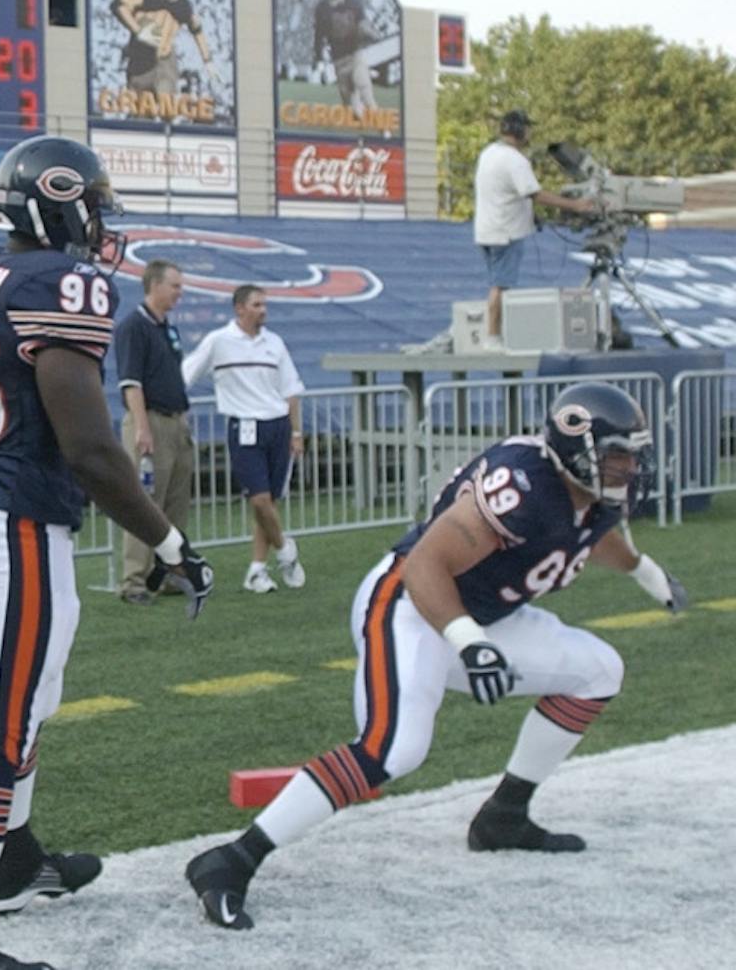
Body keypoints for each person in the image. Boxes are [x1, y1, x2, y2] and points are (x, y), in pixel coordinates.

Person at [186, 383, 687, 932]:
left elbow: (587, 535)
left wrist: (647, 573)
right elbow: (425, 563)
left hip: (483, 616)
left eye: (633, 455)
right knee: (394, 748)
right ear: (577, 450)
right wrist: (468, 641)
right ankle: (231, 860)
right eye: (618, 456)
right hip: (412, 604)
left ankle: (504, 815)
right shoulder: (523, 485)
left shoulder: (588, 493)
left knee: (599, 670)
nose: (629, 468)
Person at [0, 135, 215, 970]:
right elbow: (88, 446)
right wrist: (168, 541)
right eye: (91, 204)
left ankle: (14, 864)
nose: (100, 223)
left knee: (30, 697)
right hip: (10, 520)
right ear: (59, 203)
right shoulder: (61, 282)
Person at [182, 285, 307, 593]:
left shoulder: (274, 343)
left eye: (264, 305)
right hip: (244, 428)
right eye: (257, 305)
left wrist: (296, 432)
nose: (263, 310)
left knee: (270, 502)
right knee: (260, 500)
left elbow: (291, 390)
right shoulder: (218, 341)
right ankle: (285, 550)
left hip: (277, 426)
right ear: (240, 308)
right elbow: (186, 374)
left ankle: (257, 569)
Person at [473, 109, 597, 343]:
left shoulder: (488, 153)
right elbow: (535, 194)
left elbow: (506, 193)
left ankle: (496, 332)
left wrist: (531, 217)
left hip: (486, 229)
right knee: (501, 286)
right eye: (527, 128)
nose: (530, 133)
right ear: (519, 130)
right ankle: (493, 336)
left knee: (497, 283)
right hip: (505, 233)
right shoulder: (516, 160)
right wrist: (576, 205)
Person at [112, 259, 193, 605]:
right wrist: (143, 429)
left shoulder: (166, 328)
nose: (180, 292)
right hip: (152, 423)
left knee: (175, 503)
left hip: (175, 421)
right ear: (155, 286)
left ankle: (170, 574)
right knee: (145, 504)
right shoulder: (134, 327)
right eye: (174, 285)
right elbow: (132, 383)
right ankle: (133, 581)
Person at [111, 0, 214, 102]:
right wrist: (139, 30)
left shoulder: (182, 4)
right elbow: (120, 6)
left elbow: (196, 28)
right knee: (141, 114)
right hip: (139, 60)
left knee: (166, 103)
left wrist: (208, 60)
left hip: (164, 60)